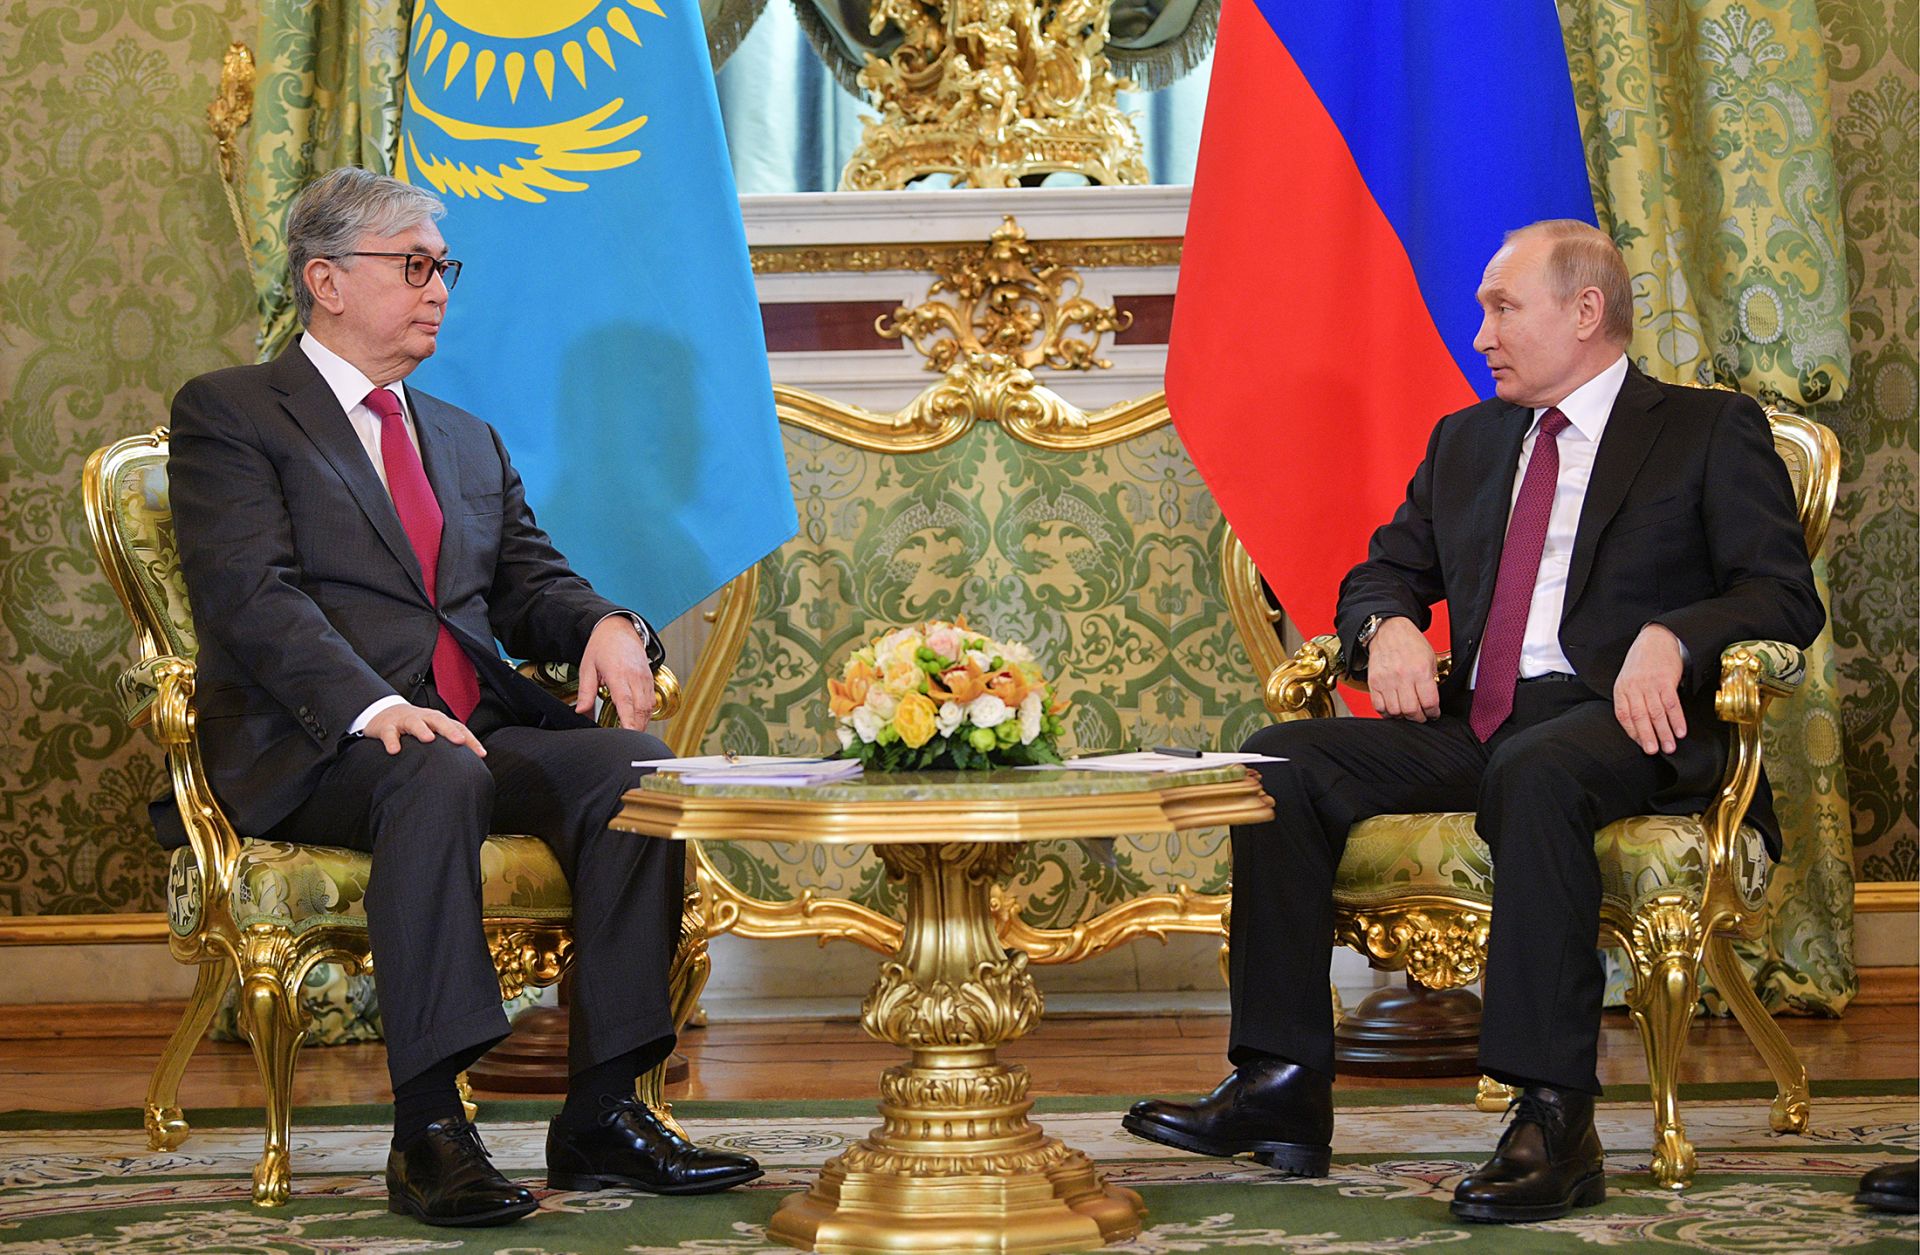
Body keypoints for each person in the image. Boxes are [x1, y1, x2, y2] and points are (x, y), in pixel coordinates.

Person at [1125, 220, 1824, 1223]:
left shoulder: (1706, 430)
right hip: (1486, 718)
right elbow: (1379, 571)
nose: (1480, 332)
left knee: (1537, 768)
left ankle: (1553, 1118)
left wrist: (1674, 635)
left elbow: (1782, 595)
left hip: (1624, 720)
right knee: (1278, 759)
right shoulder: (1469, 439)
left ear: (1587, 312)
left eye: (1503, 308)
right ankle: (1278, 1085)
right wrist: (1390, 627)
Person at [167, 167, 761, 1227]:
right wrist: (368, 705)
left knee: (633, 770)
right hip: (320, 741)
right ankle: (430, 1128)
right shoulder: (233, 413)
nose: (439, 287)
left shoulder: (460, 435)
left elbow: (530, 581)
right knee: (427, 767)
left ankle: (603, 1110)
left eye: (443, 267)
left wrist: (603, 624)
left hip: (471, 727)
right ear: (327, 281)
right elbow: (252, 598)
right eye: (413, 265)